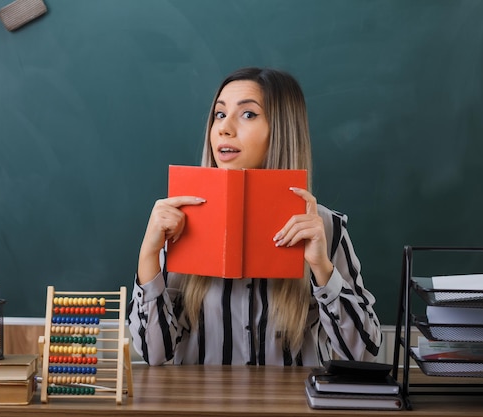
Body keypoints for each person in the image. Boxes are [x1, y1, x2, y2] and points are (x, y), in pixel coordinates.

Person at [128, 67, 381, 366]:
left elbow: (364, 353)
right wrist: (148, 256)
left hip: (294, 409)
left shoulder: (325, 227)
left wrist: (322, 269)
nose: (224, 128)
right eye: (220, 115)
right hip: (201, 409)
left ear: (281, 130)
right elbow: (153, 354)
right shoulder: (177, 224)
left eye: (248, 114)